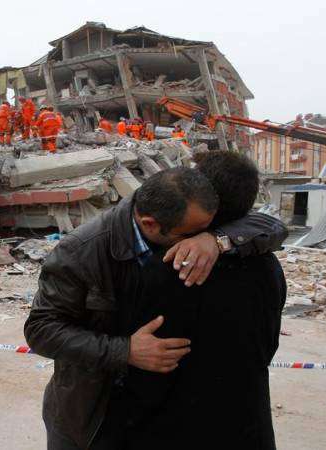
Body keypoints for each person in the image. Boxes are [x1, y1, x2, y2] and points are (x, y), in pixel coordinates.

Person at [23, 166, 287, 450]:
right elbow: (40, 330)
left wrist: (216, 240)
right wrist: (125, 350)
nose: (194, 243)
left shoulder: (185, 222)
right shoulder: (82, 251)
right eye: (192, 233)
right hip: (88, 415)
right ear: (150, 224)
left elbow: (270, 225)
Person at [100, 152, 286, 449]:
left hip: (176, 428)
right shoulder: (268, 265)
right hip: (249, 424)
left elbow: (146, 371)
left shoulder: (169, 268)